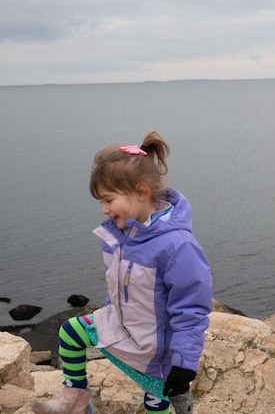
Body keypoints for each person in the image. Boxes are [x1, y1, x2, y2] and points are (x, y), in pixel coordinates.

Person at [33, 130, 212, 414]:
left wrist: (184, 362)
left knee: (157, 401)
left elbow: (191, 310)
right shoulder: (124, 233)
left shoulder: (177, 246)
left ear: (141, 192)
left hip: (155, 347)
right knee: (71, 332)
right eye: (101, 202)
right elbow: (120, 285)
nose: (104, 210)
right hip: (121, 325)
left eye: (108, 200)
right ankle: (75, 400)